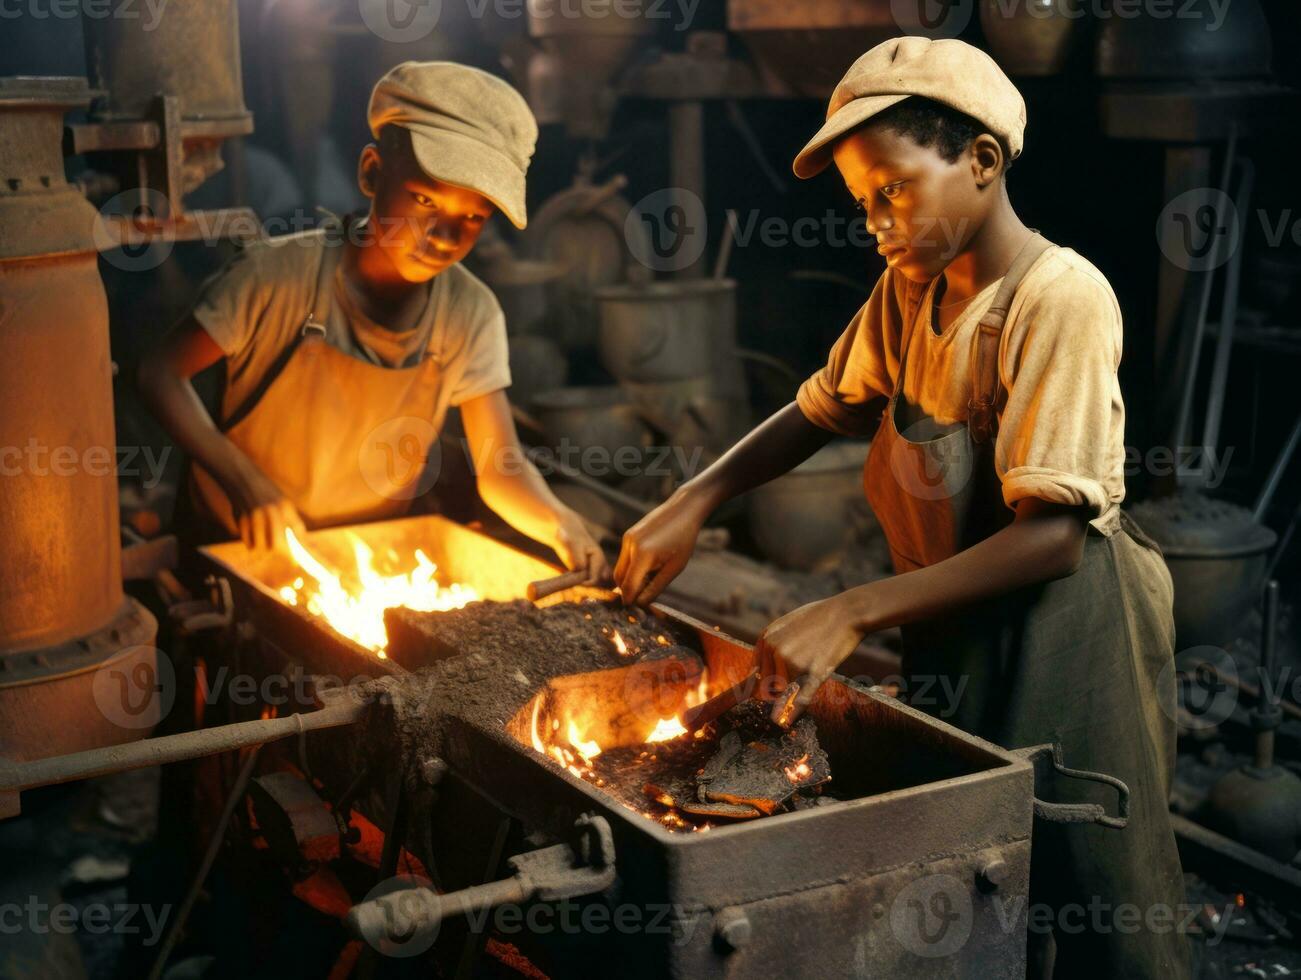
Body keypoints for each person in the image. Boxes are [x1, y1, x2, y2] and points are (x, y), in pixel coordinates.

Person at [614, 37, 1189, 978]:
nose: (876, 221)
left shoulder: (1058, 298)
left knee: (1101, 901)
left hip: (1072, 636)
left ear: (981, 160)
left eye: (894, 189)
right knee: (976, 874)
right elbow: (818, 408)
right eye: (861, 203)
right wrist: (693, 497)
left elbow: (1047, 539)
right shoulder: (908, 293)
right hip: (954, 628)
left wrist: (848, 608)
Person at [139, 61, 607, 582]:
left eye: (472, 217)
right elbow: (159, 374)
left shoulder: (469, 314)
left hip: (362, 564)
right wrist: (245, 483)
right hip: (231, 554)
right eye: (425, 200)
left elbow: (500, 468)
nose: (445, 235)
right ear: (370, 172)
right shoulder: (274, 278)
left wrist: (560, 522)